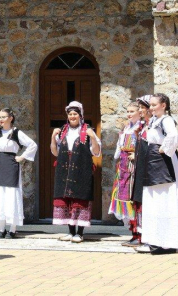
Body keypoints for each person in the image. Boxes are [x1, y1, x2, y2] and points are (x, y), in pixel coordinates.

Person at [137, 93, 178, 255]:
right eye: (150, 105)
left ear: (163, 105)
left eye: (154, 105)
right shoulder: (154, 121)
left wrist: (164, 148)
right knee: (155, 201)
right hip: (153, 162)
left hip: (162, 163)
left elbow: (174, 135)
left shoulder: (166, 120)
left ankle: (168, 242)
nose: (151, 108)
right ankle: (157, 240)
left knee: (165, 199)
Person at [51, 101, 101, 243]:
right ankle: (71, 232)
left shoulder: (87, 130)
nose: (72, 116)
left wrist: (93, 137)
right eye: (70, 114)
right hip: (65, 168)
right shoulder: (62, 131)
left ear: (80, 116)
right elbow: (55, 152)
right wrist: (52, 137)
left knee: (80, 199)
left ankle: (80, 233)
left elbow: (96, 153)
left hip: (81, 168)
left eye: (75, 114)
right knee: (66, 199)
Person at [0, 108, 38, 239]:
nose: (1, 119)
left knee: (11, 196)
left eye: (3, 117)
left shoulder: (16, 132)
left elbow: (32, 145)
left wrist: (21, 157)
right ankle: (1, 229)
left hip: (11, 165)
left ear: (10, 118)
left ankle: (12, 229)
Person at [108, 102, 140, 244]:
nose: (129, 114)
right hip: (123, 166)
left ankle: (139, 233)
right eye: (128, 111)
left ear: (139, 112)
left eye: (132, 111)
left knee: (132, 198)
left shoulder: (141, 127)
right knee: (123, 197)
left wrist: (136, 153)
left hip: (133, 166)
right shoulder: (127, 127)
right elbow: (119, 146)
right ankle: (132, 232)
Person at [127, 95, 153, 247]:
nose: (141, 110)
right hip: (140, 169)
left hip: (149, 171)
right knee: (138, 201)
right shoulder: (142, 128)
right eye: (141, 107)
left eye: (144, 107)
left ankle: (148, 236)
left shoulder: (154, 126)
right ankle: (140, 235)